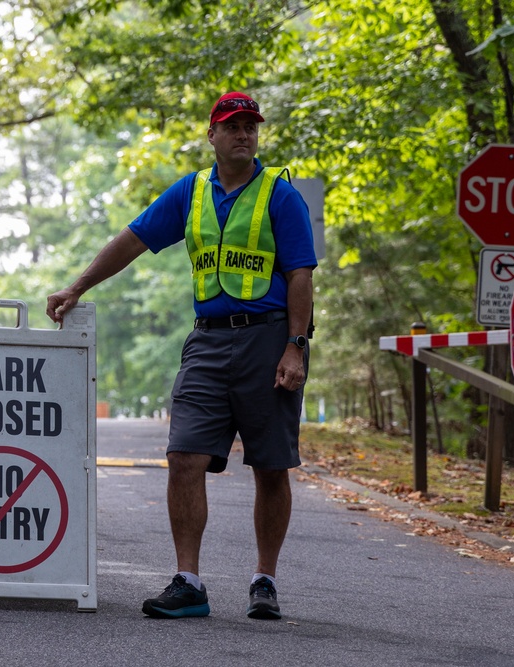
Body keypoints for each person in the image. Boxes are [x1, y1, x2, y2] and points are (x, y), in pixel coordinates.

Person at [46, 92, 316, 620]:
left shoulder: (280, 197)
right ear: (211, 136)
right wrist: (76, 287)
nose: (243, 134)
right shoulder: (190, 192)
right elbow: (133, 239)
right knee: (184, 455)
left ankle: (265, 580)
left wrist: (295, 347)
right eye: (231, 126)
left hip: (268, 339)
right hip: (208, 340)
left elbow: (300, 275)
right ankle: (188, 581)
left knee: (270, 464)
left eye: (250, 126)